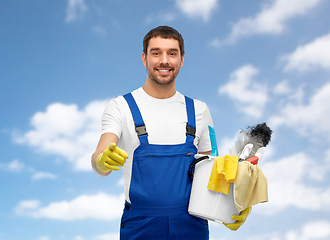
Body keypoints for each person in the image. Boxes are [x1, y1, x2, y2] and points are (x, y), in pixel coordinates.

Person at [91, 26, 247, 239]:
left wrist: (233, 204)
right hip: (139, 227)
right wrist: (102, 161)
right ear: (144, 58)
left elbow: (212, 171)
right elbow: (100, 155)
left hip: (191, 226)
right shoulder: (120, 106)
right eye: (156, 53)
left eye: (172, 53)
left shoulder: (199, 110)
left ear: (182, 60)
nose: (164, 60)